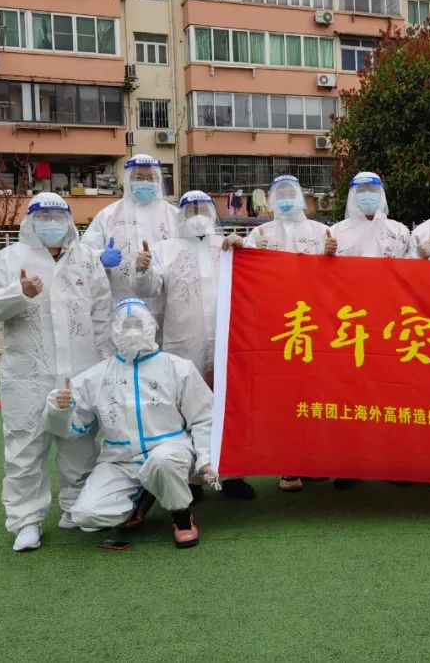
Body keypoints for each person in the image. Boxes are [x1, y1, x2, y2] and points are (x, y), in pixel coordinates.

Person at [0, 193, 112, 551]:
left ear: (69, 220)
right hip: (28, 374)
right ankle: (26, 521)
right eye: (44, 216)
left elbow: (102, 312)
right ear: (31, 221)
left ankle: (74, 506)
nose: (52, 223)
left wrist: (102, 361)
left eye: (58, 216)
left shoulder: (86, 259)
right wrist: (17, 292)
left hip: (79, 371)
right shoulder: (11, 258)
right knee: (24, 447)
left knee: (80, 443)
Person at [45, 298, 215, 549]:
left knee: (163, 461)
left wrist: (205, 458)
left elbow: (203, 417)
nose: (132, 332)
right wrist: (60, 409)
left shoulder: (178, 368)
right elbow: (74, 428)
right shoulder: (96, 376)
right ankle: (143, 494)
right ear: (114, 330)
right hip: (120, 460)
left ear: (151, 325)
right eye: (125, 326)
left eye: (138, 324)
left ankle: (181, 515)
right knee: (87, 516)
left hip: (171, 450)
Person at [133, 191, 253, 500]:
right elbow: (149, 288)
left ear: (213, 213)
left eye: (203, 208)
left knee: (229, 405)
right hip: (184, 343)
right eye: (190, 210)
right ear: (181, 215)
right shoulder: (165, 250)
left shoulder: (227, 245)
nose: (197, 215)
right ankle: (192, 477)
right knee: (186, 408)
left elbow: (255, 275)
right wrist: (143, 268)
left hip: (227, 341)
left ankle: (232, 473)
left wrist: (245, 248)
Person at [245, 174, 331, 493]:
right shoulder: (261, 233)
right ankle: (288, 464)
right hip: (276, 327)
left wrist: (331, 254)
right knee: (284, 396)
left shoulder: (322, 231)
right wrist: (247, 250)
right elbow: (244, 274)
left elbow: (337, 276)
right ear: (271, 199)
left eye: (289, 193)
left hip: (315, 324)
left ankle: (317, 459)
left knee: (317, 393)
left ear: (301, 197)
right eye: (279, 194)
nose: (285, 199)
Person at [80, 154, 178, 324]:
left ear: (158, 180)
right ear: (128, 180)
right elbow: (83, 253)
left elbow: (194, 248)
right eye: (138, 178)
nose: (145, 182)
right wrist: (100, 257)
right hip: (120, 307)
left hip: (166, 308)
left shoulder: (174, 216)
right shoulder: (109, 215)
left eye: (151, 178)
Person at [330, 172, 412, 258]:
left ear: (381, 194)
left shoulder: (399, 231)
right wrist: (327, 254)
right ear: (352, 195)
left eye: (373, 189)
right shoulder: (335, 232)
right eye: (361, 189)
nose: (367, 193)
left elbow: (409, 262)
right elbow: (327, 264)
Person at [245, 174, 329, 257]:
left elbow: (331, 259)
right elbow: (244, 252)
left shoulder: (321, 231)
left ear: (299, 197)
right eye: (281, 195)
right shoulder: (261, 231)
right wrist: (254, 248)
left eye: (291, 194)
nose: (286, 199)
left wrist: (328, 252)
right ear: (274, 200)